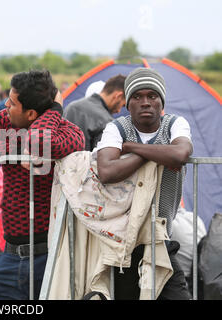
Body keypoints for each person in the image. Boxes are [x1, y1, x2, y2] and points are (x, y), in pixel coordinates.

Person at [0, 69, 84, 300]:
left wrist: (55, 110)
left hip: (50, 258)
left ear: (30, 113)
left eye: (12, 102)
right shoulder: (9, 122)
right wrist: (18, 151)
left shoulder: (70, 132)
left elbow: (39, 142)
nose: (5, 104)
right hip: (9, 256)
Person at [96, 67, 193, 300]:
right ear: (127, 105)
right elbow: (106, 171)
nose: (146, 102)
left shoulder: (175, 124)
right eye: (137, 97)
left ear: (162, 103)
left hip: (160, 237)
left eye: (152, 96)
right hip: (123, 243)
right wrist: (156, 154)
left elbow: (180, 154)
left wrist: (129, 149)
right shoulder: (116, 128)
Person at [64, 74, 126, 151]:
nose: (118, 111)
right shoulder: (106, 121)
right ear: (118, 96)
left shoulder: (71, 106)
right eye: (122, 105)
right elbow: (101, 158)